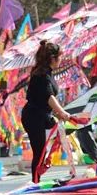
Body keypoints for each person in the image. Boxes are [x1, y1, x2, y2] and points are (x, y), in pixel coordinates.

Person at [21, 41, 72, 183]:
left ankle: (37, 179)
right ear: (52, 58)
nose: (61, 60)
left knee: (45, 149)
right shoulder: (41, 75)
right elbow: (49, 97)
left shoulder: (47, 73)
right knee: (39, 152)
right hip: (33, 116)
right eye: (59, 57)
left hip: (42, 115)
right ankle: (35, 182)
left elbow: (48, 99)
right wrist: (62, 112)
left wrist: (58, 114)